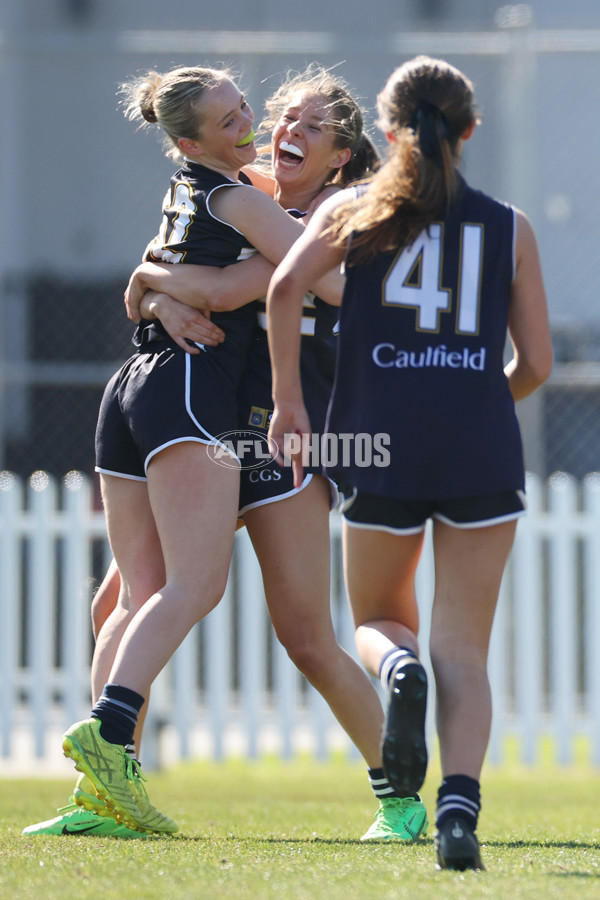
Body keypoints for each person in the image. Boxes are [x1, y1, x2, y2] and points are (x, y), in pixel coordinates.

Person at [27, 66, 420, 842]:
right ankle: (109, 788)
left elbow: (269, 284)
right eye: (281, 118)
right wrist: (156, 288)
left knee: (305, 634)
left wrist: (172, 284)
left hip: (278, 434)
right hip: (199, 414)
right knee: (124, 600)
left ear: (343, 156)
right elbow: (160, 279)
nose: (284, 131)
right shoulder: (246, 190)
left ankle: (401, 797)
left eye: (312, 126)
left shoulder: (349, 219)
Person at [265, 55, 553, 871]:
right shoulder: (510, 225)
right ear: (469, 130)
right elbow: (535, 362)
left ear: (387, 130)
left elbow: (285, 290)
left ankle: (396, 673)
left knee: (378, 621)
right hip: (479, 445)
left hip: (379, 442)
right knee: (464, 651)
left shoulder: (355, 207)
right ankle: (458, 814)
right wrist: (477, 395)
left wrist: (290, 403)